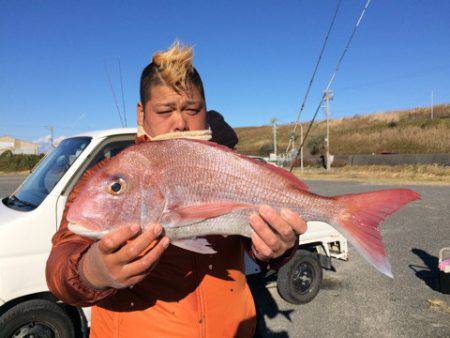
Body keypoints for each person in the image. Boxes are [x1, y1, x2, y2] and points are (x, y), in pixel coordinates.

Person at [46, 41, 307, 338]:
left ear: (205, 112)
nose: (180, 122)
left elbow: (257, 248)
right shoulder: (109, 176)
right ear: (142, 114)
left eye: (192, 109)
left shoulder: (226, 165)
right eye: (165, 110)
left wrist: (278, 250)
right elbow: (62, 258)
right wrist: (93, 271)